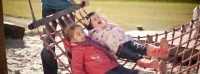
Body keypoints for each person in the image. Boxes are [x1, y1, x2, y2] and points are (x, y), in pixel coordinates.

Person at [83, 12, 169, 73]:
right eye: (95, 19)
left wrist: (107, 23)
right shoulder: (94, 33)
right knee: (135, 56)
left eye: (98, 17)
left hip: (128, 41)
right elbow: (89, 37)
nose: (98, 19)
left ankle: (161, 51)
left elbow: (117, 26)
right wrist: (88, 26)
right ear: (91, 26)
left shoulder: (108, 26)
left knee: (142, 48)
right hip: (119, 49)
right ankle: (152, 64)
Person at [64, 24, 157, 74]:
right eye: (78, 34)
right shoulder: (77, 50)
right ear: (72, 40)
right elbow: (77, 67)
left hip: (109, 63)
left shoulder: (90, 40)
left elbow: (102, 48)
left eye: (82, 32)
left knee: (126, 71)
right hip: (99, 71)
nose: (82, 35)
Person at [40, 0, 89, 74]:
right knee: (47, 45)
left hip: (66, 7)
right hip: (47, 7)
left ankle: (77, 71)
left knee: (73, 42)